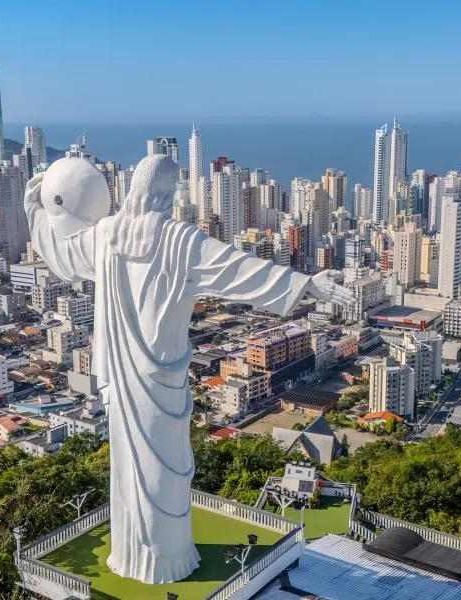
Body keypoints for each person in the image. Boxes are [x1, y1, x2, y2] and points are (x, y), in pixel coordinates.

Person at [25, 154, 353, 584]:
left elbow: (61, 250)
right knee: (163, 466)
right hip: (161, 378)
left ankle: (136, 556)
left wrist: (37, 201)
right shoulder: (179, 240)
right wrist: (305, 283)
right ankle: (166, 560)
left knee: (132, 466)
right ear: (166, 194)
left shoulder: (105, 235)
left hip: (124, 378)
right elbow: (238, 270)